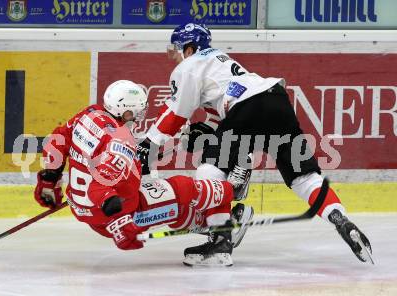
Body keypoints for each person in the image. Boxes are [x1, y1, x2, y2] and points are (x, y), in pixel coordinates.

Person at [136, 23, 373, 263]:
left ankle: (220, 241)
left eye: (176, 49)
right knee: (304, 177)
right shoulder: (220, 59)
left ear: (189, 48)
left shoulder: (189, 65)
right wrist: (206, 130)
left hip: (248, 108)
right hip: (277, 102)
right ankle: (340, 218)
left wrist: (149, 143)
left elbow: (177, 112)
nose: (174, 56)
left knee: (210, 169)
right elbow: (221, 112)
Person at [33, 80, 252, 267]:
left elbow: (58, 140)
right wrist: (118, 219)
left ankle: (212, 225)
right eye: (136, 110)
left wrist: (49, 178)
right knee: (181, 188)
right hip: (123, 212)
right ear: (125, 111)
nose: (138, 114)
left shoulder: (89, 115)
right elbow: (101, 186)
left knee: (171, 208)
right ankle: (232, 190)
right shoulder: (120, 140)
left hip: (87, 214)